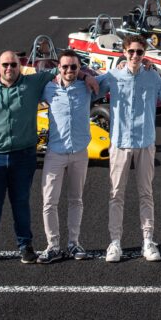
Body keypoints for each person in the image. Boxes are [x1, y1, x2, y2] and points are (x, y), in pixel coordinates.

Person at [0, 49, 98, 265]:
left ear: (20, 67)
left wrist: (85, 75)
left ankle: (26, 246)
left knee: (21, 202)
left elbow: (62, 69)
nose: (9, 69)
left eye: (13, 65)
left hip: (23, 156)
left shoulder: (33, 83)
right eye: (5, 65)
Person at [95, 34, 161, 263]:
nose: (135, 55)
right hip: (120, 143)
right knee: (116, 194)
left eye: (139, 52)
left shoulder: (153, 77)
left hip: (145, 142)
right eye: (131, 52)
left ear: (144, 54)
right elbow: (92, 88)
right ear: (124, 53)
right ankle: (115, 242)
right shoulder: (113, 77)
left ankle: (148, 240)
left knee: (146, 193)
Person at [37, 49, 95, 264]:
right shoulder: (48, 89)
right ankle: (53, 246)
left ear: (79, 69)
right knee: (49, 201)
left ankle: (73, 243)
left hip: (80, 152)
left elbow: (111, 79)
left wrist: (87, 76)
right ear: (58, 68)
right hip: (55, 152)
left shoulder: (87, 87)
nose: (70, 70)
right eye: (65, 67)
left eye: (74, 67)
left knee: (76, 199)